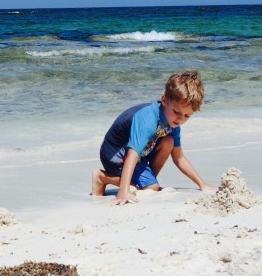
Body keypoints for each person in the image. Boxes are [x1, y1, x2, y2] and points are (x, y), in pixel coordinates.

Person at [91, 70, 215, 205]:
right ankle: (102, 177)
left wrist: (202, 184)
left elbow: (179, 157)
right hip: (115, 156)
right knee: (151, 188)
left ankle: (145, 181)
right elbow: (132, 154)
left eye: (187, 116)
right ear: (164, 100)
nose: (180, 119)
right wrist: (123, 192)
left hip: (139, 154)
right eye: (177, 112)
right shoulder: (148, 119)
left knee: (169, 142)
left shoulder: (172, 123)